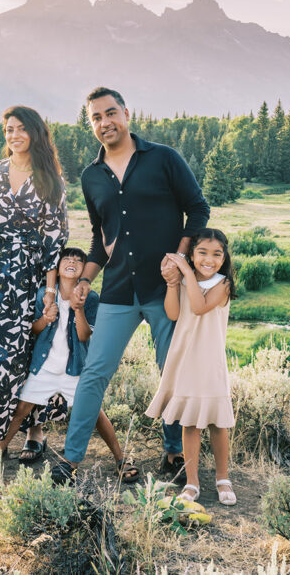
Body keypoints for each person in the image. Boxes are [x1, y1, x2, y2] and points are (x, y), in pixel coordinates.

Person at [55, 86, 210, 484]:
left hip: (166, 291)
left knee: (170, 370)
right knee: (93, 374)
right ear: (91, 124)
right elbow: (99, 237)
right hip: (119, 291)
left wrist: (178, 259)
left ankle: (174, 453)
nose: (104, 122)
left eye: (110, 113)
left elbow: (198, 208)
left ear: (126, 113)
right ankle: (71, 461)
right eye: (95, 118)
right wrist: (86, 279)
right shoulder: (91, 176)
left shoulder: (163, 159)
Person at [0, 247, 141, 482]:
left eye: (78, 260)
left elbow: (84, 336)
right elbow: (33, 330)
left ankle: (121, 459)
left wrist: (78, 309)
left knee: (96, 413)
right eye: (67, 259)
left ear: (84, 271)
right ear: (58, 268)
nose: (72, 262)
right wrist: (45, 319)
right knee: (21, 410)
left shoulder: (90, 299)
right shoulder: (44, 294)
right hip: (46, 367)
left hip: (75, 369)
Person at [0, 105, 69, 465]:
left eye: (22, 129)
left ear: (36, 134)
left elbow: (55, 241)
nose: (14, 135)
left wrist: (51, 292)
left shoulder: (50, 179)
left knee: (33, 354)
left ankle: (34, 431)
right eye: (9, 129)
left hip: (31, 278)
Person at [146, 228, 237, 505]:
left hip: (210, 361)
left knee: (217, 423)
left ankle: (223, 478)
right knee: (189, 422)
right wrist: (173, 284)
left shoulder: (223, 284)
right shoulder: (184, 281)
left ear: (224, 258)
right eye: (202, 253)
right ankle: (192, 482)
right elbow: (174, 313)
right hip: (185, 357)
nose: (209, 259)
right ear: (194, 253)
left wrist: (185, 269)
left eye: (216, 254)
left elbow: (199, 307)